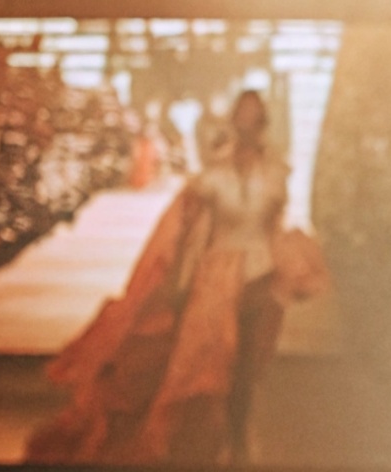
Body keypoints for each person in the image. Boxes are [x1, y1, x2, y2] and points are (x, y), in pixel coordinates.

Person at [26, 90, 329, 466]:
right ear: (235, 122)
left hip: (261, 281)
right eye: (242, 117)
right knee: (214, 367)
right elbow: (187, 234)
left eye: (255, 117)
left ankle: (237, 440)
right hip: (217, 282)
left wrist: (291, 273)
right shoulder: (213, 176)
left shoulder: (276, 174)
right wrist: (177, 283)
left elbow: (274, 227)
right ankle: (221, 445)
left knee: (246, 369)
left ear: (262, 123)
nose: (248, 125)